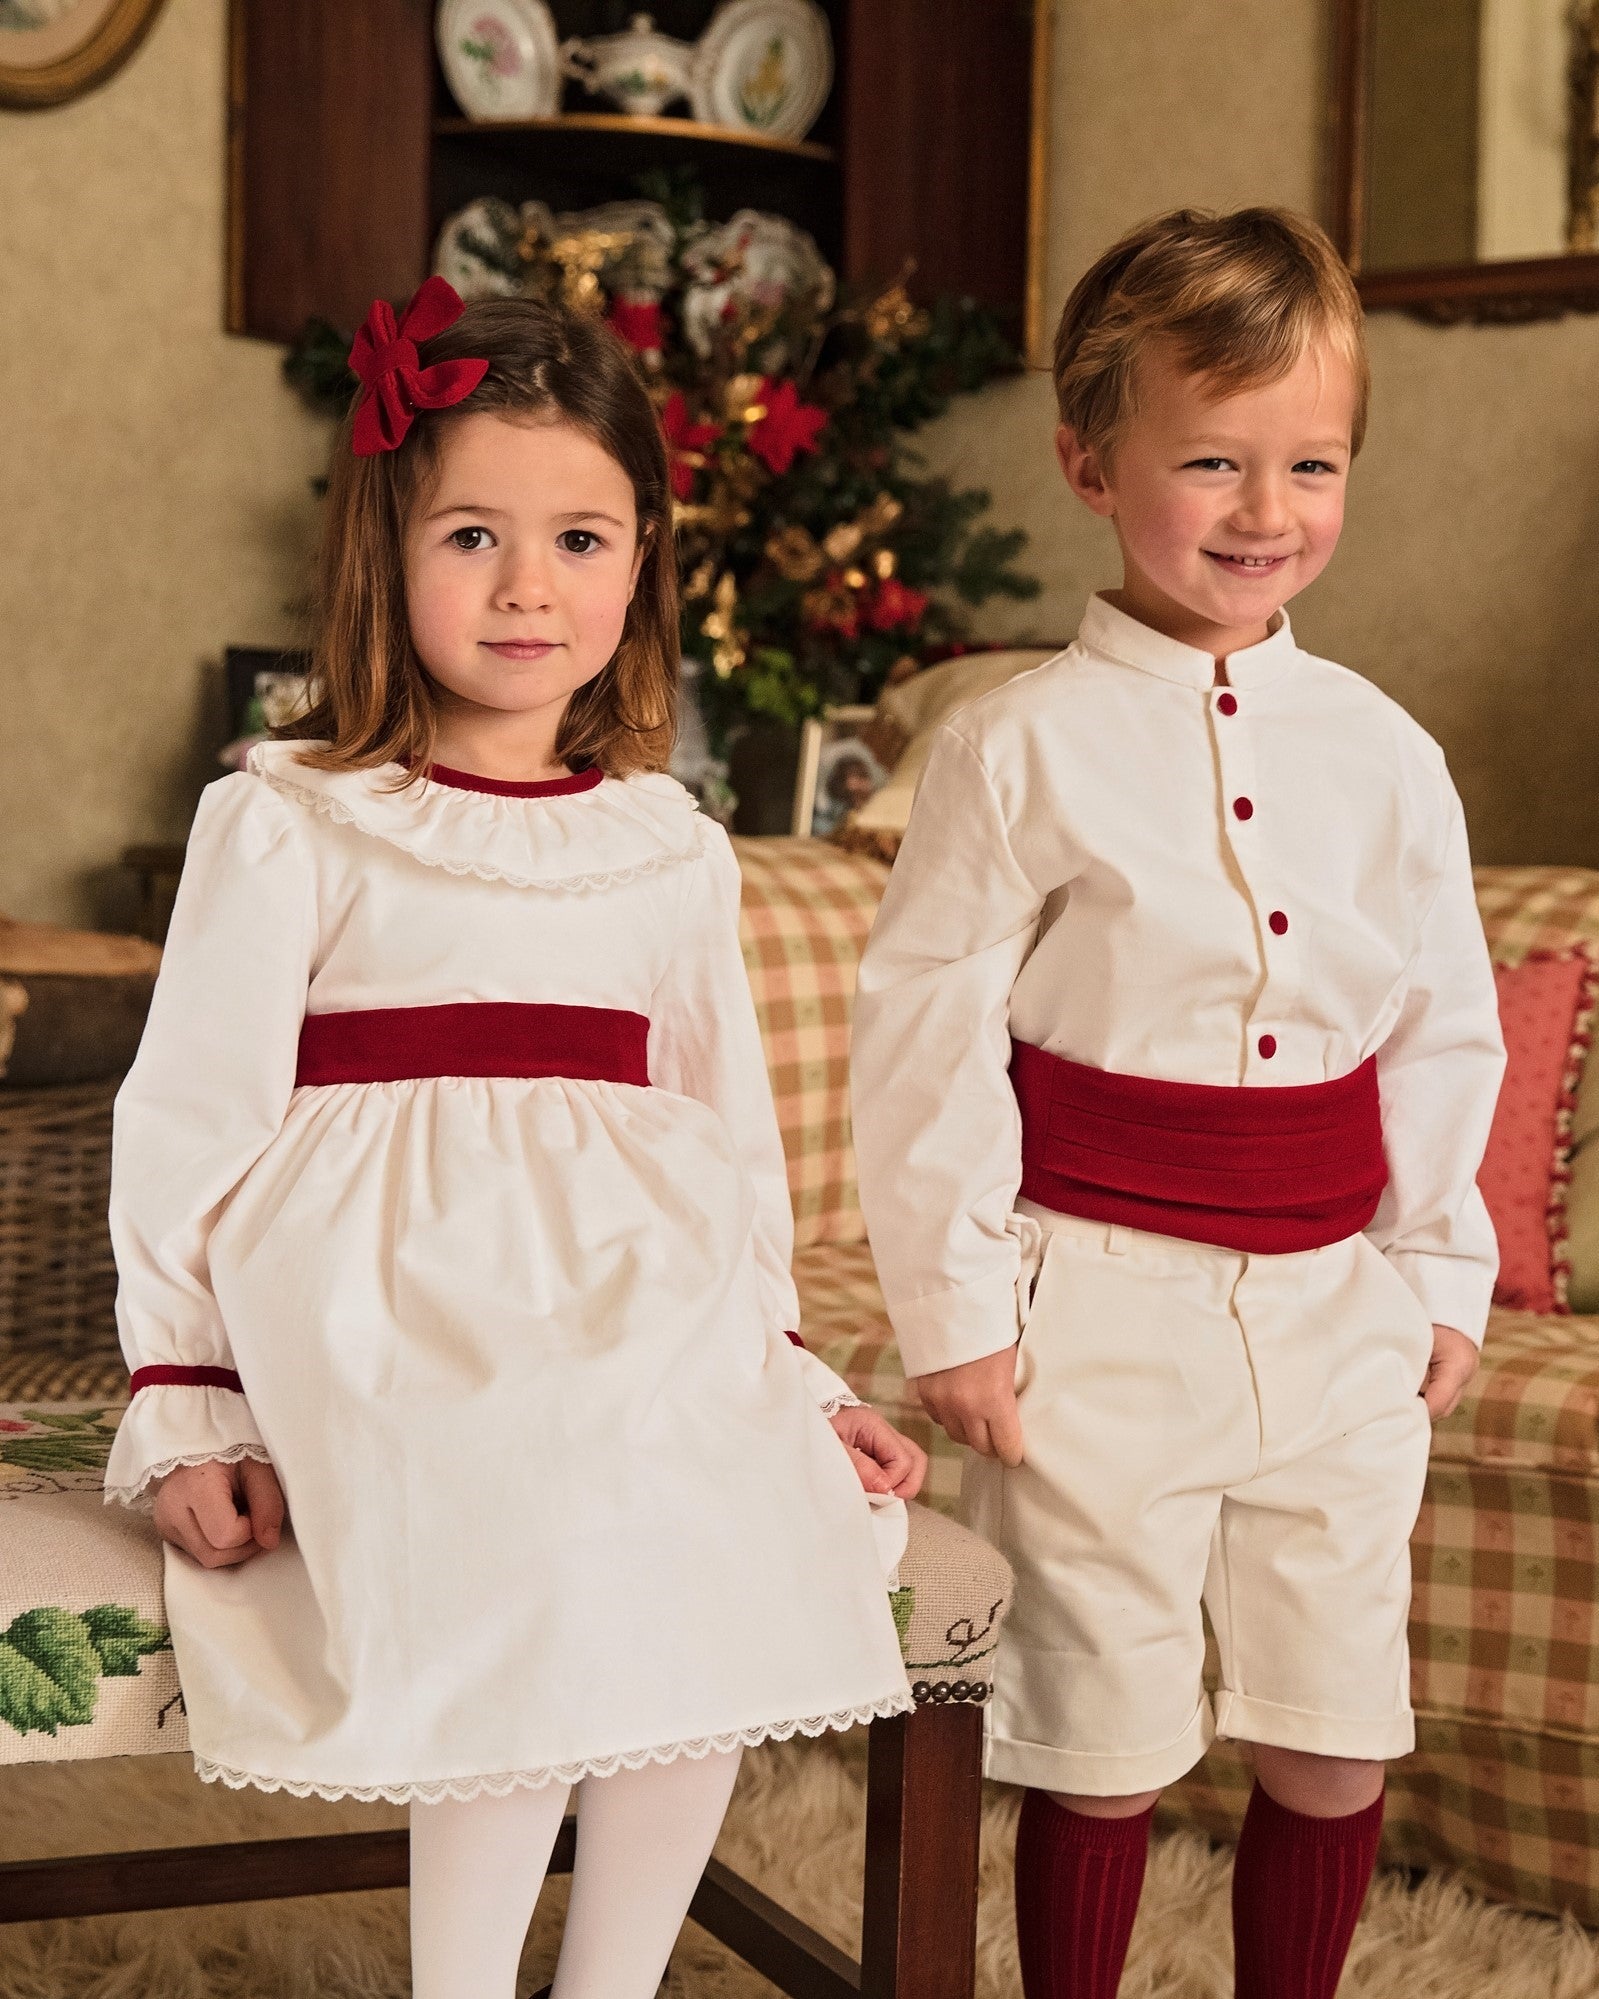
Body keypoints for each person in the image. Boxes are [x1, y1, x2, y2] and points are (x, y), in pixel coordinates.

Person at [106, 278, 923, 1999]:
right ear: (387, 548)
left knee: (729, 1518)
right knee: (540, 1508)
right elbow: (189, 1113)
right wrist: (185, 1397)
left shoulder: (668, 846)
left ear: (642, 567)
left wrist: (791, 1370)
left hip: (638, 1295)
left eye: (581, 537)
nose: (529, 585)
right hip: (396, 1305)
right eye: (474, 533)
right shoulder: (293, 815)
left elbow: (721, 1135)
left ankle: (606, 1985)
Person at [849, 208, 1504, 1999]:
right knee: (1101, 1732)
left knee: (1333, 1723)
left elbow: (1444, 1026)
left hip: (1335, 1310)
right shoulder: (1014, 745)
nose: (1262, 509)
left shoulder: (1386, 752)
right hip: (1096, 1310)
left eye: (1309, 462)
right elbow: (928, 1036)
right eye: (1209, 460)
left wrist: (1440, 1280)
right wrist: (962, 1314)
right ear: (1087, 458)